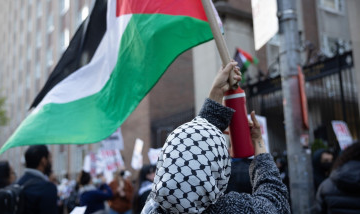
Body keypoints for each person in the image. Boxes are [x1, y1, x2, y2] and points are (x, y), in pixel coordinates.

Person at [142, 61, 290, 213]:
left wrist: (215, 98)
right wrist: (258, 142)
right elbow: (274, 202)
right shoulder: (227, 209)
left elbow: (191, 153)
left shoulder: (152, 206)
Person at [315, 143, 360, 213]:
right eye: (326, 161)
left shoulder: (326, 186)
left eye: (331, 160)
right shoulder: (325, 185)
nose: (329, 163)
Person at [18, 145, 58, 214]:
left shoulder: (17, 183)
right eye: (50, 158)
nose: (51, 161)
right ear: (43, 161)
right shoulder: (47, 188)